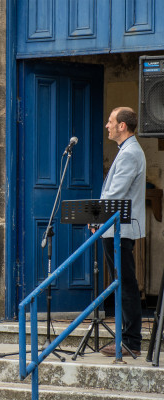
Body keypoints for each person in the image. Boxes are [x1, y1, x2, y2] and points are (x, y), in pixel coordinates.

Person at [97, 107, 146, 357]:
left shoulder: (129, 153)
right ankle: (128, 338)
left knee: (125, 283)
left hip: (119, 229)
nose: (107, 125)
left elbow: (116, 193)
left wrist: (96, 218)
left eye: (110, 121)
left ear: (122, 126)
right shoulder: (126, 151)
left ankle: (131, 341)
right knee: (122, 282)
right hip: (115, 227)